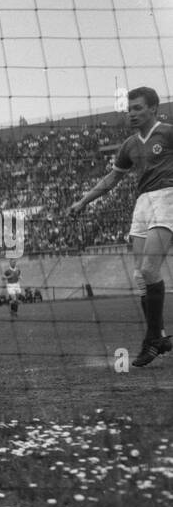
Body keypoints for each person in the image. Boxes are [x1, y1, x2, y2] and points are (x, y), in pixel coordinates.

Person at [67, 86, 173, 366]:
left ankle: (152, 341)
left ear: (153, 108)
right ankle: (159, 336)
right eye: (130, 109)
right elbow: (112, 179)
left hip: (167, 198)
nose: (132, 113)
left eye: (138, 108)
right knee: (141, 276)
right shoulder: (129, 145)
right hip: (143, 204)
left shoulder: (168, 132)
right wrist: (83, 202)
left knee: (150, 269)